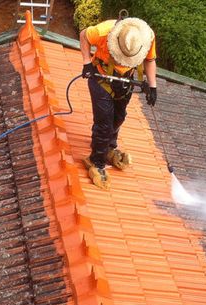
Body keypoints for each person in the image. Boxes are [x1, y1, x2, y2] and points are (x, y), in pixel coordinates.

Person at [80, 15, 158, 189]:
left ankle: (109, 147)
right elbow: (83, 35)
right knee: (104, 123)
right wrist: (86, 63)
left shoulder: (146, 36)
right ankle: (96, 161)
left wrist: (152, 87)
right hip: (101, 78)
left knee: (119, 117)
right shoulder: (103, 31)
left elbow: (150, 60)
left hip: (125, 81)